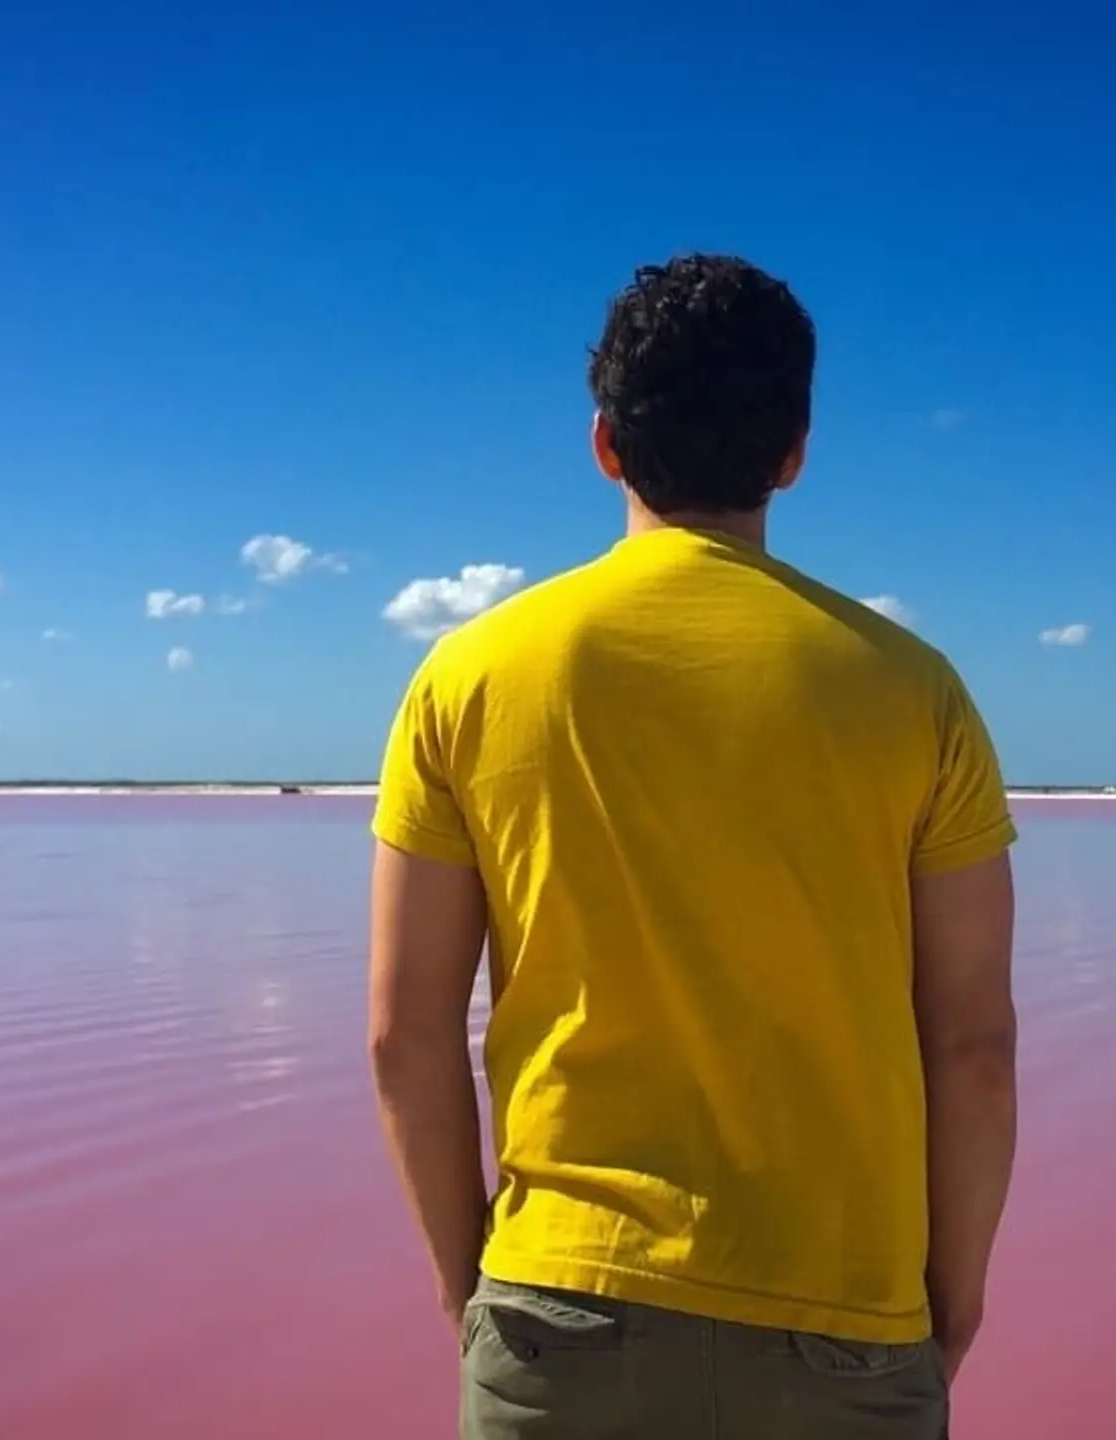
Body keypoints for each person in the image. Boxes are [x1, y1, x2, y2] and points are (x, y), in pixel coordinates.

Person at [367, 253, 1020, 1439]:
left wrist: (472, 1289)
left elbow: (404, 1034)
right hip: (849, 1318)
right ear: (793, 453)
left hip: (557, 1306)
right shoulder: (914, 692)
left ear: (606, 445)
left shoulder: (466, 676)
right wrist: (953, 1302)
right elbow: (971, 1041)